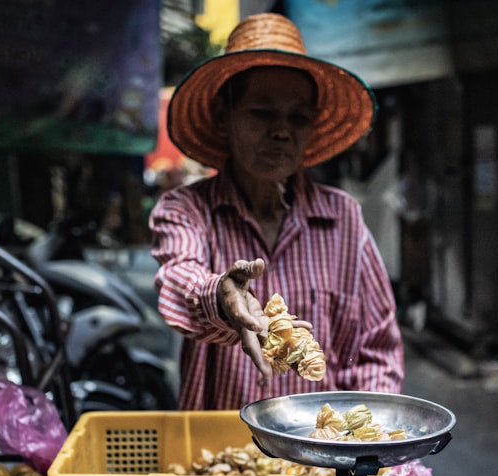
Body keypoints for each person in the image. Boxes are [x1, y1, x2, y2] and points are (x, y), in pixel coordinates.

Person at [149, 12, 403, 410]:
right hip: (222, 460)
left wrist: (362, 445)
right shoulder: (187, 209)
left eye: (298, 117)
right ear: (222, 116)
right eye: (262, 112)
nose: (282, 131)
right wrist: (223, 298)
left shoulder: (344, 219)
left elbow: (376, 351)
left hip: (322, 461)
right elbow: (180, 278)